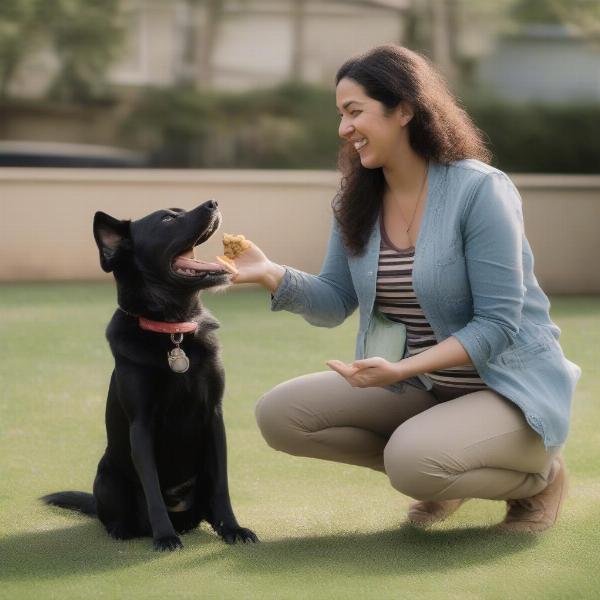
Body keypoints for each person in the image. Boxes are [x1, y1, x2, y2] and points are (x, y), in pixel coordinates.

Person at [226, 45, 581, 532]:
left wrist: (400, 368)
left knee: (411, 463)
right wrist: (270, 273)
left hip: (507, 390)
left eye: (355, 112)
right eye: (340, 115)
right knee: (281, 416)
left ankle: (541, 481)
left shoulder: (479, 190)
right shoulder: (357, 200)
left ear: (405, 110)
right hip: (423, 388)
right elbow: (334, 300)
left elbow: (500, 323)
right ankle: (445, 474)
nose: (343, 128)